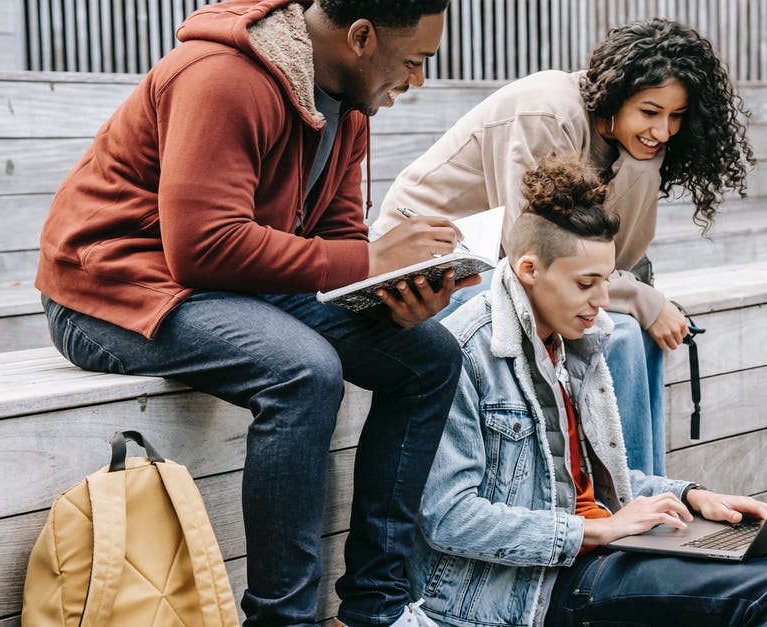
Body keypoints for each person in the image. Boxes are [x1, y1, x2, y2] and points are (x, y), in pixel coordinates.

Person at [35, 1, 476, 625]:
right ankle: (283, 618)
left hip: (234, 284)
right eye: (414, 61)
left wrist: (394, 296)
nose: (419, 79)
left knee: (429, 355)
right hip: (109, 287)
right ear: (361, 36)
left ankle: (379, 604)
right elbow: (202, 247)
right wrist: (369, 260)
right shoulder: (221, 77)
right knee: (304, 370)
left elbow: (338, 238)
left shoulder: (349, 106)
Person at [409, 153, 767, 627]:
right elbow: (450, 517)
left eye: (605, 280)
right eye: (586, 283)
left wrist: (692, 497)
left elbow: (599, 485)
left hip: (604, 549)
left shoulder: (572, 343)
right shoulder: (466, 353)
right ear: (530, 269)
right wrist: (597, 530)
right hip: (531, 590)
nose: (602, 301)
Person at [372, 18, 756, 476]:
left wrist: (640, 167)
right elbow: (530, 255)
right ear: (616, 95)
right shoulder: (547, 115)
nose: (664, 130)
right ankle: (621, 515)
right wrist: (640, 297)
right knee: (618, 334)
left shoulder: (630, 141)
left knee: (638, 336)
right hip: (435, 267)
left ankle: (645, 497)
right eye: (650, 112)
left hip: (513, 267)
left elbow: (619, 257)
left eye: (675, 117)